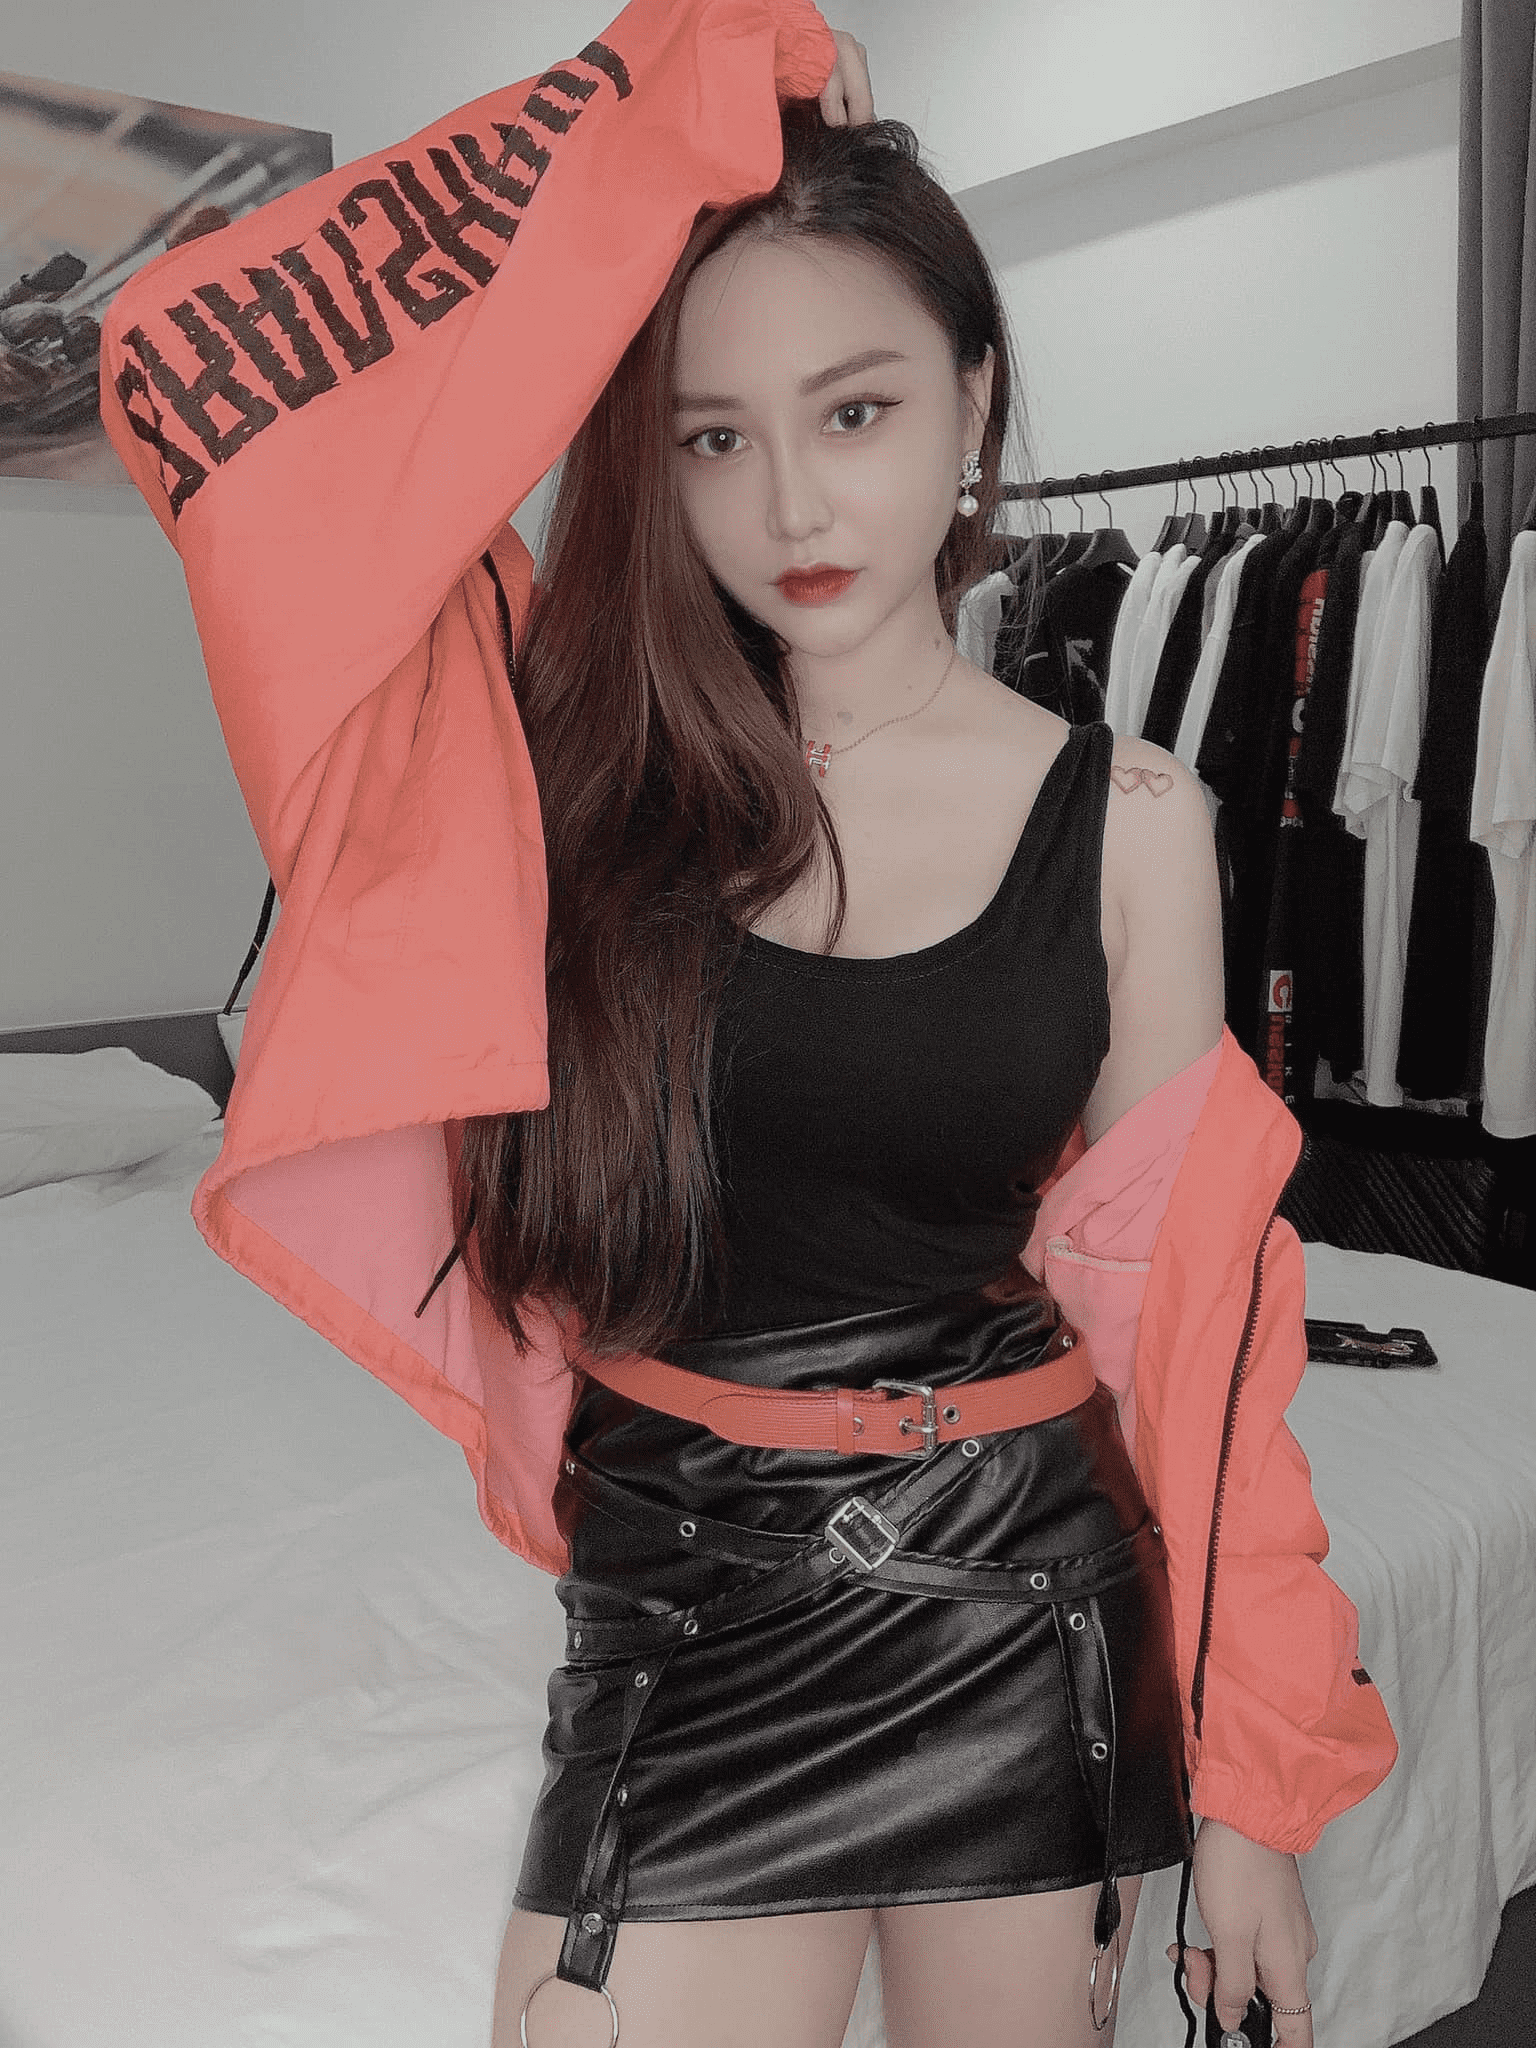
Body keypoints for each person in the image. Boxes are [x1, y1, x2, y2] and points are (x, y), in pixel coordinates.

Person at [98, 4, 1398, 2045]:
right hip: (681, 1599)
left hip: (1016, 1594)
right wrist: (686, 77)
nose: (791, 499)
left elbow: (1202, 1336)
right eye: (713, 435)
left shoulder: (1132, 825)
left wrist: (1252, 1787)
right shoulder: (549, 770)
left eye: (855, 409)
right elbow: (196, 354)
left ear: (973, 399)